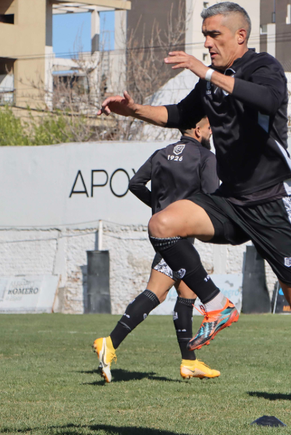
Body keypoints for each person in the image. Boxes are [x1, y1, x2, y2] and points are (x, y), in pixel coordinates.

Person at [98, 3, 291, 432]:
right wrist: (134, 110)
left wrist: (205, 72)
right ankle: (216, 303)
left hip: (274, 205)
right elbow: (180, 115)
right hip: (231, 200)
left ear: (240, 36)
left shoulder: (263, 67)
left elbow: (267, 99)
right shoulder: (211, 81)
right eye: (205, 34)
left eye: (215, 34)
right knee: (162, 224)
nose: (207, 42)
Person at [92, 116, 221, 383]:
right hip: (179, 236)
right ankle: (110, 342)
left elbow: (134, 184)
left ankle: (189, 361)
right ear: (198, 130)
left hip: (163, 230)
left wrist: (159, 208)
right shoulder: (205, 157)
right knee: (156, 292)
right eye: (210, 128)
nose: (212, 133)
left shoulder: (161, 154)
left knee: (187, 292)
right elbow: (212, 196)